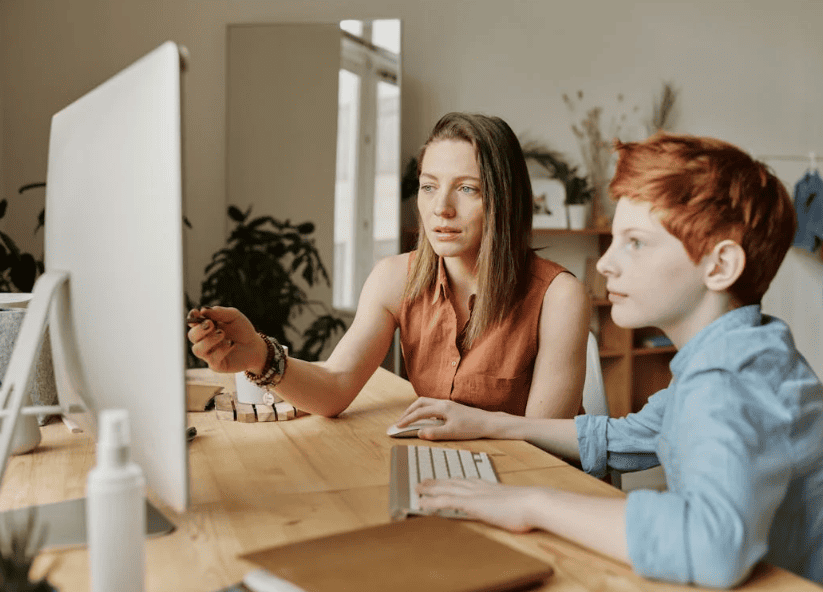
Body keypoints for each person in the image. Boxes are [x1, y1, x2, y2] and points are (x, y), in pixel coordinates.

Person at [412, 133, 823, 588]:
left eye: (636, 243)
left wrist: (531, 504)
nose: (605, 263)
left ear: (720, 266)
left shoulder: (727, 381)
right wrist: (489, 423)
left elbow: (712, 546)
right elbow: (629, 436)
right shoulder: (745, 351)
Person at [188, 112, 590, 420]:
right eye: (429, 186)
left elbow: (545, 444)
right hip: (449, 470)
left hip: (532, 486)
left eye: (467, 189)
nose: (441, 208)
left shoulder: (559, 296)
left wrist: (466, 426)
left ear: (506, 200)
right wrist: (259, 355)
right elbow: (335, 387)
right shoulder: (394, 277)